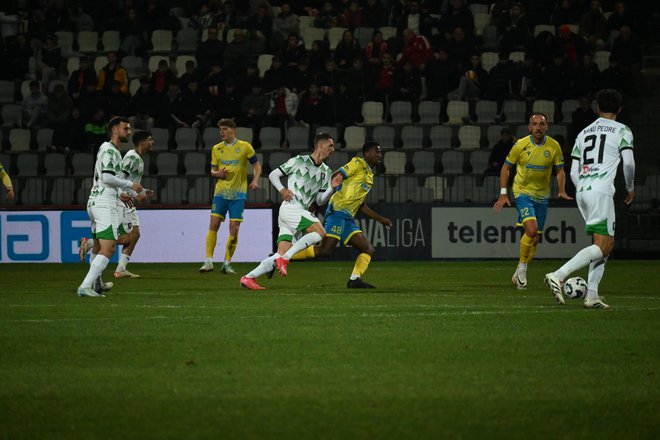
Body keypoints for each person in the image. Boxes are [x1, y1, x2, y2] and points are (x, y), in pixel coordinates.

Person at [544, 89, 635, 309]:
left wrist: (583, 188)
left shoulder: (584, 132)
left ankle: (592, 295)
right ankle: (558, 274)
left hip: (583, 189)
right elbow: (629, 163)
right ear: (620, 108)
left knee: (605, 244)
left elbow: (573, 170)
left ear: (597, 108)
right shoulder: (623, 130)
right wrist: (630, 188)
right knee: (603, 245)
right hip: (601, 190)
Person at [240, 133, 340, 290]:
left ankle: (248, 277)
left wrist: (331, 188)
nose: (333, 149)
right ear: (320, 146)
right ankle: (285, 259)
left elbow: (320, 200)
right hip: (291, 209)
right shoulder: (299, 160)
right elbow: (274, 174)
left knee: (279, 253)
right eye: (330, 146)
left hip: (295, 214)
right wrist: (282, 190)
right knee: (320, 233)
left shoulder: (326, 172)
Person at [291, 141, 393, 288]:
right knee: (325, 251)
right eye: (376, 152)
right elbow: (336, 176)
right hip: (337, 212)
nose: (380, 155)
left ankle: (354, 280)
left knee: (368, 249)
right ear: (366, 154)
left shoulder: (369, 176)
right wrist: (317, 199)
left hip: (348, 218)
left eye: (380, 152)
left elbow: (360, 205)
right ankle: (283, 257)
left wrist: (381, 219)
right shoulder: (358, 163)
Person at [493, 113, 572, 290]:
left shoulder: (553, 146)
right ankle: (522, 269)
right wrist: (504, 193)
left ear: (547, 126)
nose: (538, 127)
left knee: (535, 238)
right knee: (531, 229)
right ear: (529, 127)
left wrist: (561, 190)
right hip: (522, 192)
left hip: (542, 196)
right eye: (535, 124)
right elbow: (506, 168)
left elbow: (560, 170)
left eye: (541, 124)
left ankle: (518, 272)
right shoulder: (520, 145)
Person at [77, 116, 143, 298]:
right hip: (104, 204)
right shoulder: (109, 150)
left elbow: (109, 178)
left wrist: (127, 189)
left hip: (97, 201)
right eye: (126, 129)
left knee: (98, 247)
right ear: (115, 130)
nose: (129, 132)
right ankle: (84, 286)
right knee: (109, 248)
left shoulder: (111, 150)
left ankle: (96, 284)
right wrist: (130, 185)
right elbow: (106, 177)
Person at [199, 119, 262, 274]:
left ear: (232, 130)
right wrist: (217, 174)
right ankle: (208, 261)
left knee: (234, 228)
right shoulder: (216, 149)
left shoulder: (245, 146)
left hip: (238, 195)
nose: (221, 132)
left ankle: (227, 263)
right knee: (213, 224)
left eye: (224, 129)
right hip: (220, 193)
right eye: (220, 129)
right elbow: (212, 170)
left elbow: (257, 166)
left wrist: (255, 180)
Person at [114, 130, 155, 277]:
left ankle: (121, 269)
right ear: (141, 142)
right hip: (122, 200)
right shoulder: (131, 157)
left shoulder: (139, 158)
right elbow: (119, 178)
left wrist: (143, 191)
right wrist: (122, 194)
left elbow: (131, 182)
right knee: (125, 238)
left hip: (129, 200)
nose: (152, 142)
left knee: (135, 235)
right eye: (150, 140)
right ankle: (90, 244)